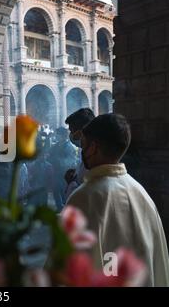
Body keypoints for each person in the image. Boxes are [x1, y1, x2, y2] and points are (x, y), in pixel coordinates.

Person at [66, 114, 169, 286]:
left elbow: (66, 269)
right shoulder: (141, 194)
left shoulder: (83, 198)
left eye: (83, 145)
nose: (82, 150)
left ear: (94, 148)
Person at [64, 108, 95, 199]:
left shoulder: (94, 157)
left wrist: (72, 183)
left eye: (72, 131)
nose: (71, 135)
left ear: (82, 131)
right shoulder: (85, 151)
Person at [48, 127, 78, 210]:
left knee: (64, 192)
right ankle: (59, 208)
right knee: (56, 191)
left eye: (58, 134)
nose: (57, 136)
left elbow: (70, 161)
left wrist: (57, 160)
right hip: (56, 173)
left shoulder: (69, 147)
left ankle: (64, 209)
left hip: (65, 174)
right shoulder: (56, 146)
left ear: (63, 136)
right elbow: (49, 155)